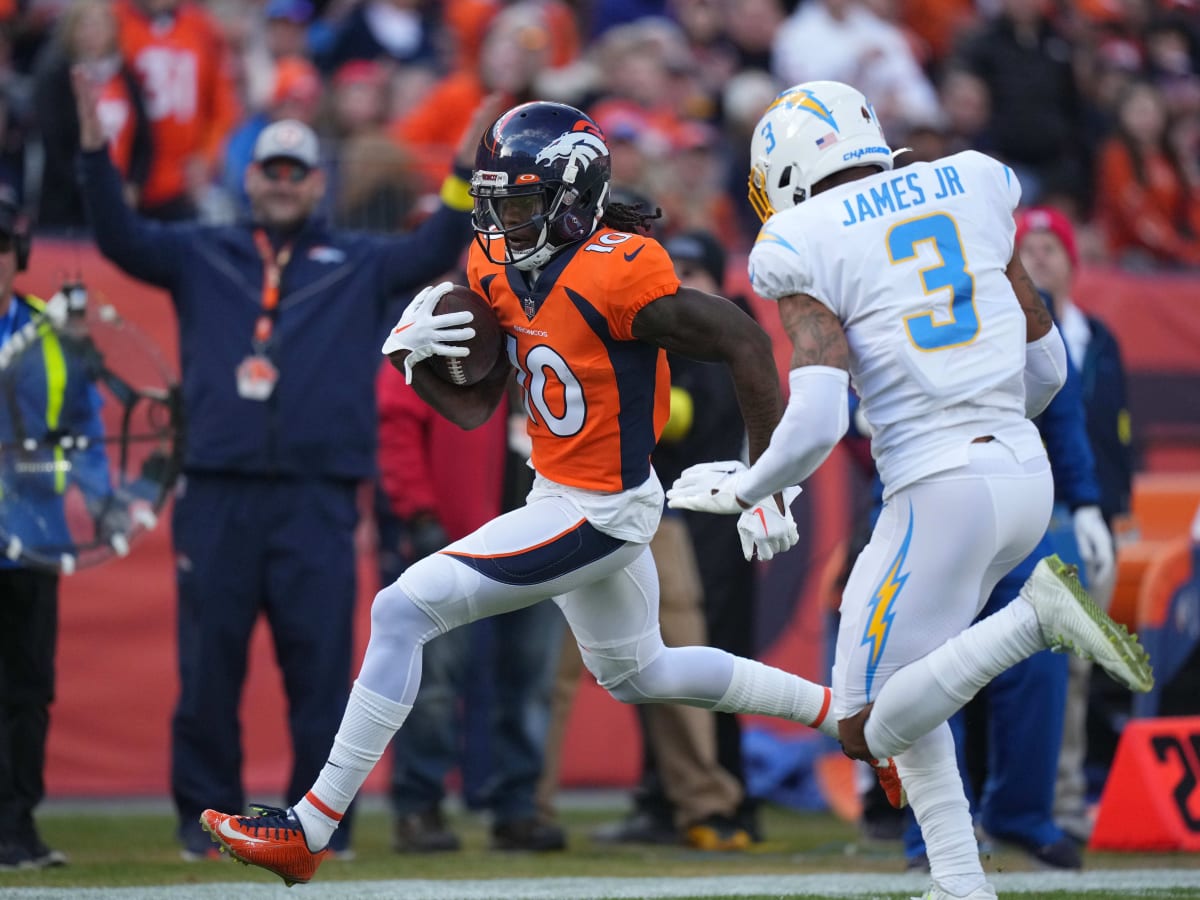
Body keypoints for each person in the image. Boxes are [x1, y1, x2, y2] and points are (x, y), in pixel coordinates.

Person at [198, 99, 897, 887]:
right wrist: (419, 361)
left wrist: (770, 479)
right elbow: (478, 405)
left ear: (573, 198)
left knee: (401, 608)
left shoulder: (621, 268)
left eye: (521, 202)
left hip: (600, 508)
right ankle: (849, 719)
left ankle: (310, 827)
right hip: (559, 493)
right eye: (493, 201)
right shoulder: (496, 264)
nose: (501, 219)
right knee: (643, 672)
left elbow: (741, 338)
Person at [666, 81, 1153, 900]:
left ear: (785, 172)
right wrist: (982, 411)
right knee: (898, 695)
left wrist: (753, 486)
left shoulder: (800, 237)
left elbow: (819, 420)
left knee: (864, 727)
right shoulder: (972, 182)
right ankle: (960, 881)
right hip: (1019, 471)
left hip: (939, 489)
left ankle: (1035, 619)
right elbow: (1048, 367)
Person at [71, 66, 502, 861]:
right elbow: (119, 239)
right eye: (270, 171)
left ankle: (320, 822)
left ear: (315, 184)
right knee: (208, 670)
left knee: (319, 669)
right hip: (220, 492)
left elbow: (435, 245)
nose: (281, 185)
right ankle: (201, 820)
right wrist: (95, 153)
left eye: (296, 172)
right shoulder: (204, 252)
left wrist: (463, 168)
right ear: (251, 178)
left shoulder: (358, 261)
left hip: (319, 495)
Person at [375, 359, 567, 853]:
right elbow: (396, 418)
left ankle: (518, 809)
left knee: (530, 683)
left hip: (544, 534)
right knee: (435, 682)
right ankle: (420, 807)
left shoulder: (561, 316)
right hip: (457, 539)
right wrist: (418, 512)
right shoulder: (450, 317)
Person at [0, 187, 117, 869]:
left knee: (26, 690)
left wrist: (104, 502)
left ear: (16, 254)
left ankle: (15, 828)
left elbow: (85, 425)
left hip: (33, 538)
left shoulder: (53, 332)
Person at [1015, 206, 1135, 842]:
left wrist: (1110, 508)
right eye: (1026, 247)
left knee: (1078, 667)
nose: (1038, 258)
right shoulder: (1004, 325)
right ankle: (1027, 802)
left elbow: (1117, 434)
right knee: (1025, 661)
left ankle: (1062, 803)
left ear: (1071, 258)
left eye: (1049, 247)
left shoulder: (1099, 338)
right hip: (1026, 514)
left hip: (1084, 514)